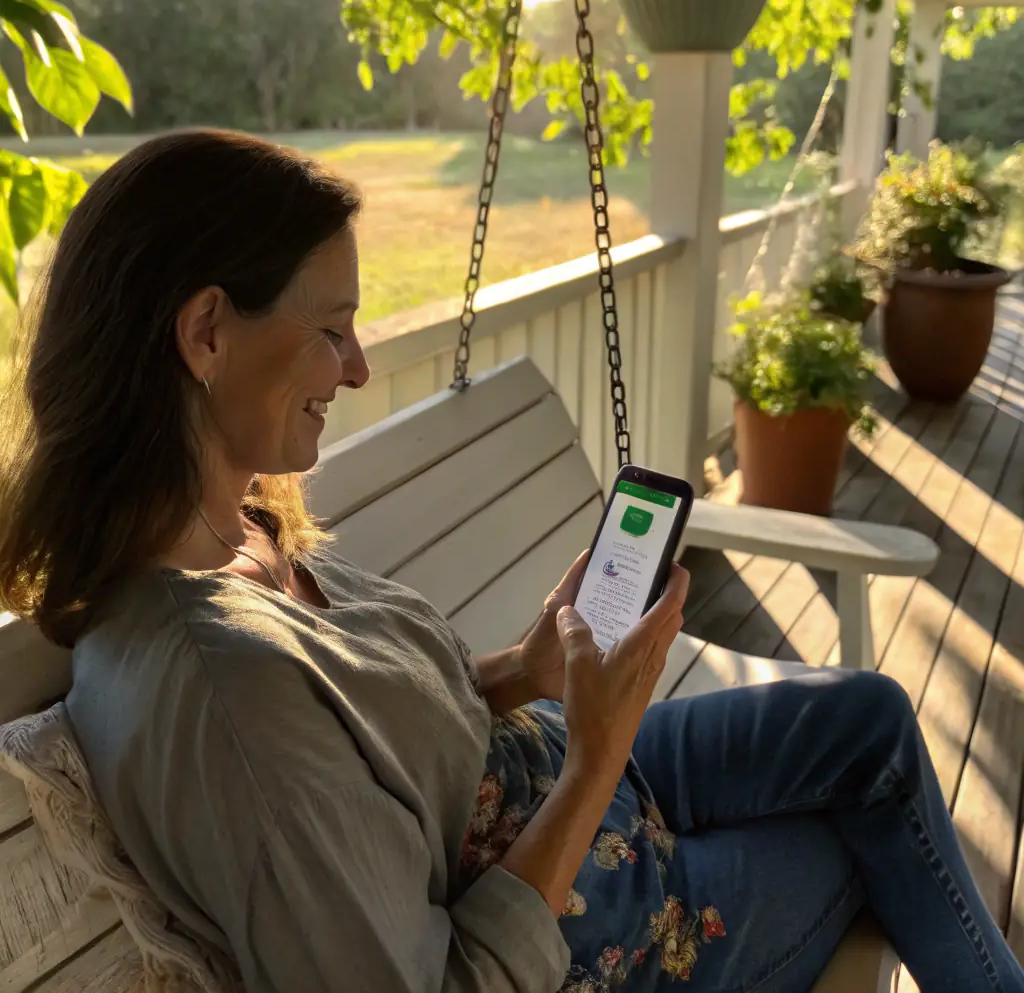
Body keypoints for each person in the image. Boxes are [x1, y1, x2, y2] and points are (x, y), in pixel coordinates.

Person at [0, 129, 1020, 993]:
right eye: (332, 329)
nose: (357, 367)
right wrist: (592, 762)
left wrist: (525, 672)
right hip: (577, 918)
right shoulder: (221, 699)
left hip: (543, 779)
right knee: (859, 844)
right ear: (207, 332)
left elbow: (378, 746)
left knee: (868, 722)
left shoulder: (239, 525)